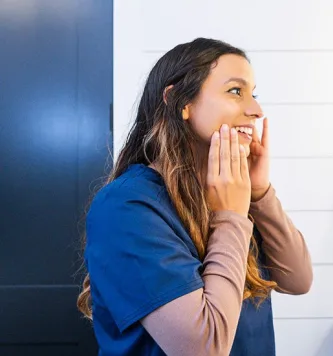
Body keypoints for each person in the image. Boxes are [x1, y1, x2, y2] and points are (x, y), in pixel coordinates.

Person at [76, 37, 313, 356]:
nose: (256, 110)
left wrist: (259, 193)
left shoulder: (231, 191)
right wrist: (230, 217)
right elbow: (203, 349)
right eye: (235, 91)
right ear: (179, 101)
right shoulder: (127, 207)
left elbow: (298, 280)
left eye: (253, 94)